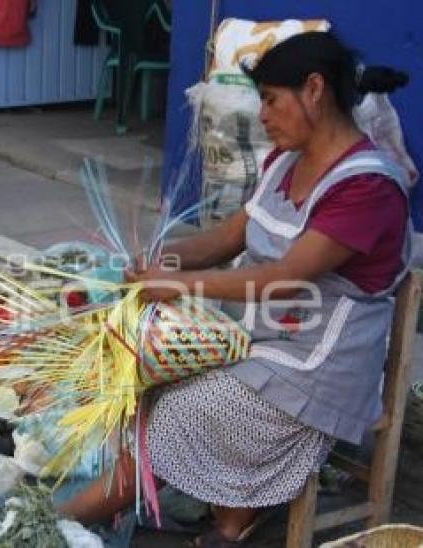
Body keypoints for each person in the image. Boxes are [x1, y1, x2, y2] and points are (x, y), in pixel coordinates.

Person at [59, 32, 411, 547]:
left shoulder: (366, 188)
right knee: (143, 375)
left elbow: (284, 277)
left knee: (184, 408)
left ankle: (65, 518)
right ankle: (230, 517)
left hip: (318, 365)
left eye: (270, 99)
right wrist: (159, 262)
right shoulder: (284, 164)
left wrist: (177, 285)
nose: (263, 116)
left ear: (314, 90)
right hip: (260, 338)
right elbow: (227, 238)